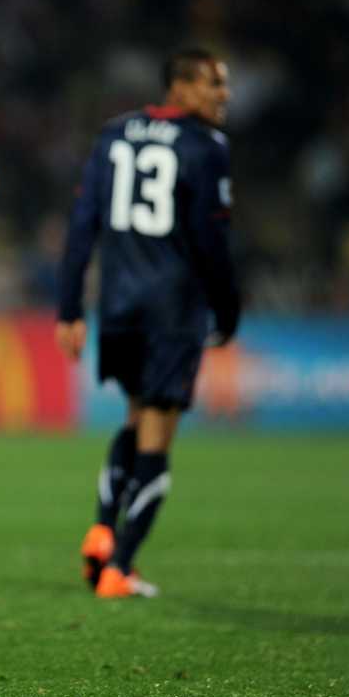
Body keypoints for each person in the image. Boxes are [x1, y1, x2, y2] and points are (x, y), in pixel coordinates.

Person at [55, 49, 240, 598]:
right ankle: (121, 566)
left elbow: (82, 226)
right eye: (213, 84)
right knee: (158, 436)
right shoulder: (207, 147)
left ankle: (102, 530)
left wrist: (69, 308)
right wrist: (227, 309)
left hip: (117, 305)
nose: (223, 95)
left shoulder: (114, 135)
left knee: (136, 421)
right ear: (180, 87)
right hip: (173, 308)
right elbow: (212, 241)